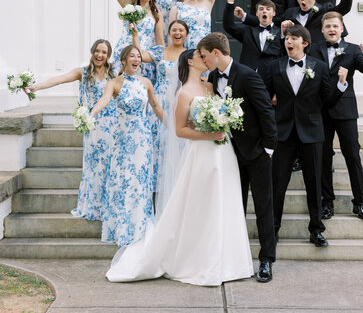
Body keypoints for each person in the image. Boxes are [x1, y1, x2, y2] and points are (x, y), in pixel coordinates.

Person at [105, 49, 253, 286]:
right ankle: (200, 261)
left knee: (225, 201)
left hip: (223, 152)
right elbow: (180, 130)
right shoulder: (183, 93)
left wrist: (225, 123)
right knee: (201, 205)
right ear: (190, 62)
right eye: (201, 57)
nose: (205, 60)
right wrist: (208, 134)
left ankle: (231, 261)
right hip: (201, 153)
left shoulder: (211, 86)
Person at [198, 32, 277, 283]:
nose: (203, 60)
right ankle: (236, 258)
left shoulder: (247, 75)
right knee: (235, 206)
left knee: (264, 207)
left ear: (216, 53)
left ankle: (266, 260)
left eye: (204, 56)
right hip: (229, 154)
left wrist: (269, 148)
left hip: (256, 152)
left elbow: (265, 110)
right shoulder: (211, 77)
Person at [260, 26, 348, 248]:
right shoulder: (274, 66)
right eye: (287, 38)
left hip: (311, 132)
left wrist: (340, 85)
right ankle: (273, 230)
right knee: (277, 183)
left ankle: (316, 230)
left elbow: (327, 101)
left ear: (305, 43)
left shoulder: (319, 67)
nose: (288, 41)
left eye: (293, 38)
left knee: (315, 182)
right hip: (283, 132)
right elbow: (263, 100)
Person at [25, 39, 116, 221]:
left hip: (111, 126)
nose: (100, 55)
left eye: (104, 52)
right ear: (92, 52)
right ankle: (92, 206)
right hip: (91, 126)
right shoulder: (82, 72)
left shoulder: (114, 73)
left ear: (108, 55)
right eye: (97, 51)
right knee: (92, 168)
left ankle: (109, 207)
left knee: (109, 166)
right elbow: (58, 79)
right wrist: (37, 87)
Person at [91, 45, 164, 247]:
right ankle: (122, 226)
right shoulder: (114, 83)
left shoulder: (146, 82)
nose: (137, 59)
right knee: (123, 181)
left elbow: (156, 107)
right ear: (123, 60)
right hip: (122, 140)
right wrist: (90, 114)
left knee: (140, 182)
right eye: (132, 56)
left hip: (142, 139)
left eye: (139, 56)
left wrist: (172, 126)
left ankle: (140, 225)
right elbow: (104, 101)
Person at [310, 12, 363, 221]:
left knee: (352, 156)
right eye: (327, 26)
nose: (331, 29)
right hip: (321, 111)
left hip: (345, 112)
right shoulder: (314, 49)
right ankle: (327, 202)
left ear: (341, 28)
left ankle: (360, 202)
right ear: (322, 30)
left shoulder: (352, 49)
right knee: (323, 157)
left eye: (335, 26)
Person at [131, 19, 189, 196]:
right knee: (156, 143)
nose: (177, 33)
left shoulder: (191, 54)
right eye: (174, 30)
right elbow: (139, 55)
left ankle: (173, 186)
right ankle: (153, 188)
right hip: (158, 102)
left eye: (181, 30)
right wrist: (135, 35)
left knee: (175, 144)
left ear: (186, 34)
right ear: (169, 33)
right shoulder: (160, 51)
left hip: (179, 102)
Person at [223, 0, 282, 71]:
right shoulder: (248, 31)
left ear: (274, 13)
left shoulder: (281, 33)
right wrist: (230, 1)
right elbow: (228, 26)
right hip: (248, 74)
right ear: (257, 13)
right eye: (261, 9)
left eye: (268, 9)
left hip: (271, 75)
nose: (264, 11)